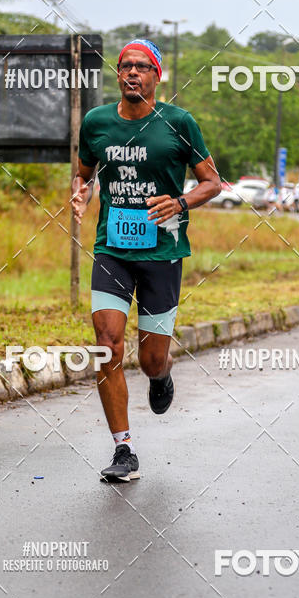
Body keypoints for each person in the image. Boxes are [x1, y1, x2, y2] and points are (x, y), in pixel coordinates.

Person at [71, 38, 221, 483]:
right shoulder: (96, 122)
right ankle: (123, 449)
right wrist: (81, 193)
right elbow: (84, 174)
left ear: (157, 76)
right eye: (125, 66)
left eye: (142, 66)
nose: (132, 73)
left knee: (150, 358)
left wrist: (181, 202)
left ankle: (160, 376)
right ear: (117, 74)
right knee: (107, 343)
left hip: (162, 253)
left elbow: (212, 182)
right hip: (112, 249)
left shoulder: (178, 123)